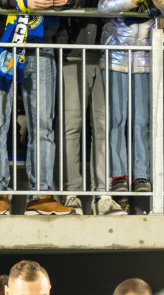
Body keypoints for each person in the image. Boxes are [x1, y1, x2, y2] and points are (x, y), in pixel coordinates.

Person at [0, 0, 77, 217]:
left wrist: (68, 1)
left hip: (42, 44)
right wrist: (19, 2)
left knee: (43, 126)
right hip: (0, 42)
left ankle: (41, 196)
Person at [98, 0, 164, 212]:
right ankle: (118, 175)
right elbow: (104, 7)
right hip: (114, 58)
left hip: (146, 61)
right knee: (116, 120)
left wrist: (162, 2)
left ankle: (141, 176)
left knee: (142, 122)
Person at [53, 0, 124, 215]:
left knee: (105, 129)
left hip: (109, 55)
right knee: (70, 128)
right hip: (72, 52)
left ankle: (102, 195)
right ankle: (70, 194)